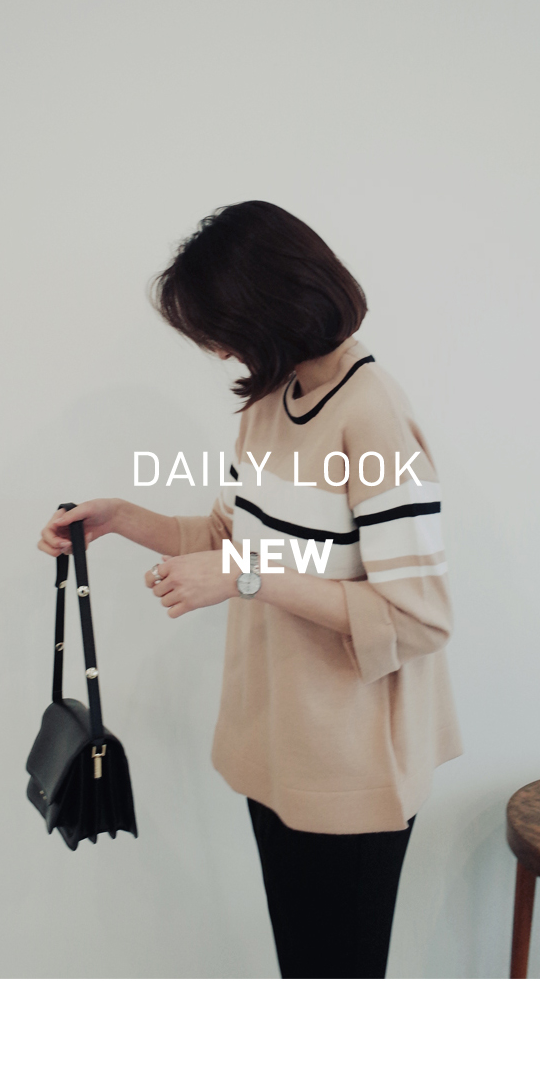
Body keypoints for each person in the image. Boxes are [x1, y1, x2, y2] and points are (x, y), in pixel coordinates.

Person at [37, 200, 462, 978]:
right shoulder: (272, 400)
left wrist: (246, 579)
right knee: (301, 972)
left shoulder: (372, 414)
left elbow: (419, 618)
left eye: (220, 328)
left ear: (272, 307)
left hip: (350, 762)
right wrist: (121, 518)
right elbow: (228, 538)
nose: (217, 348)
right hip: (277, 743)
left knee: (337, 982)